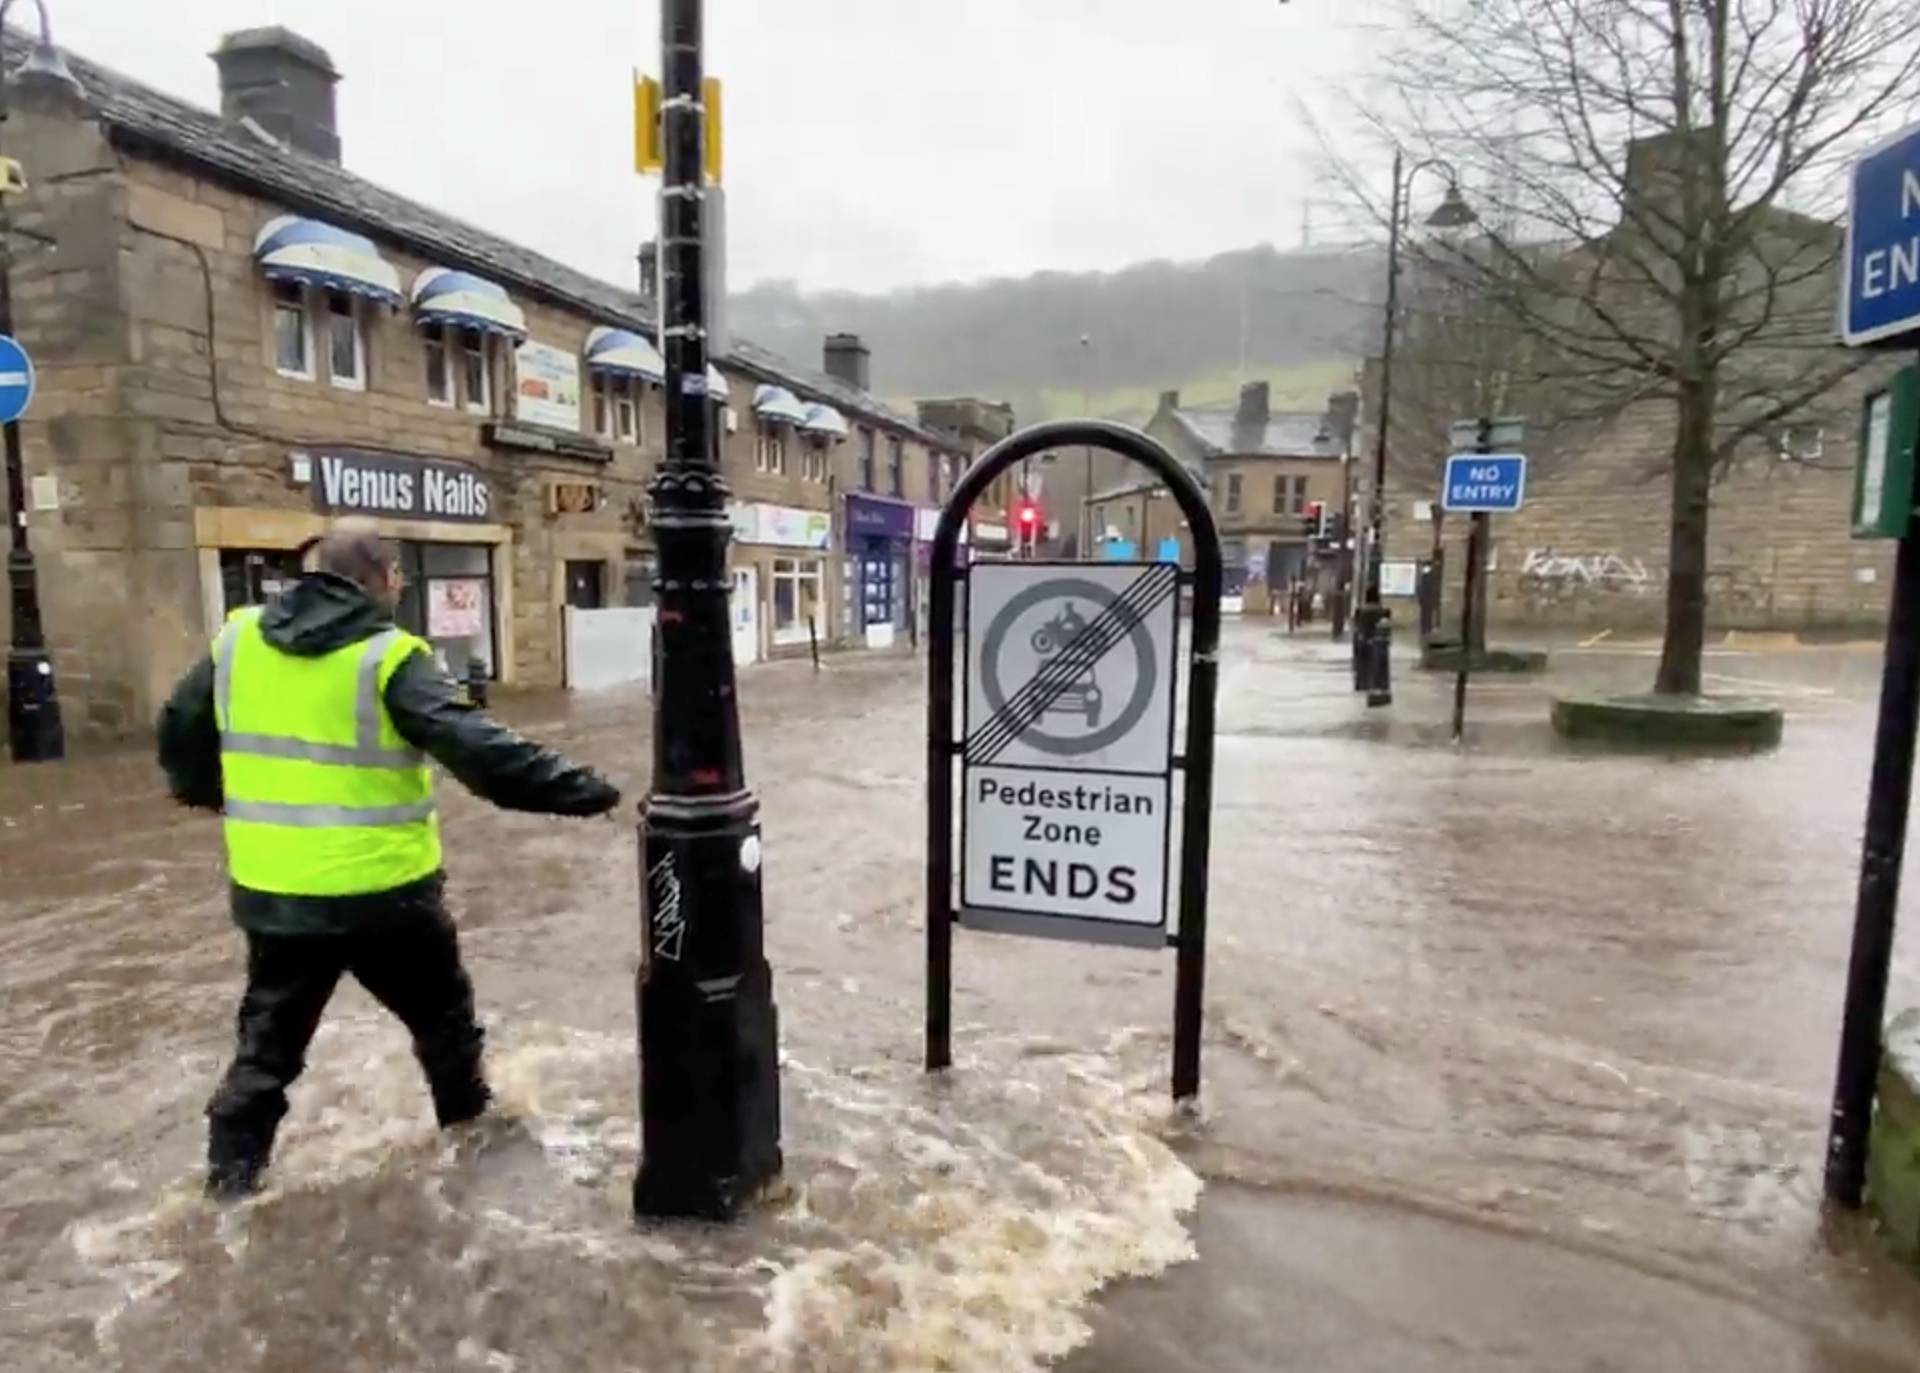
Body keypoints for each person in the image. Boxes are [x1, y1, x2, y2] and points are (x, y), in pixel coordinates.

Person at [157, 519, 621, 1198]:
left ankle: (227, 1193)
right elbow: (483, 754)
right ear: (379, 576)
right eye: (399, 573)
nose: (401, 584)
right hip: (387, 899)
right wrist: (589, 792)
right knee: (445, 1031)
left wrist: (205, 793)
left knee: (265, 1056)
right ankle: (473, 1159)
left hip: (278, 897)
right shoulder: (389, 656)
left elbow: (177, 724)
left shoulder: (239, 640)